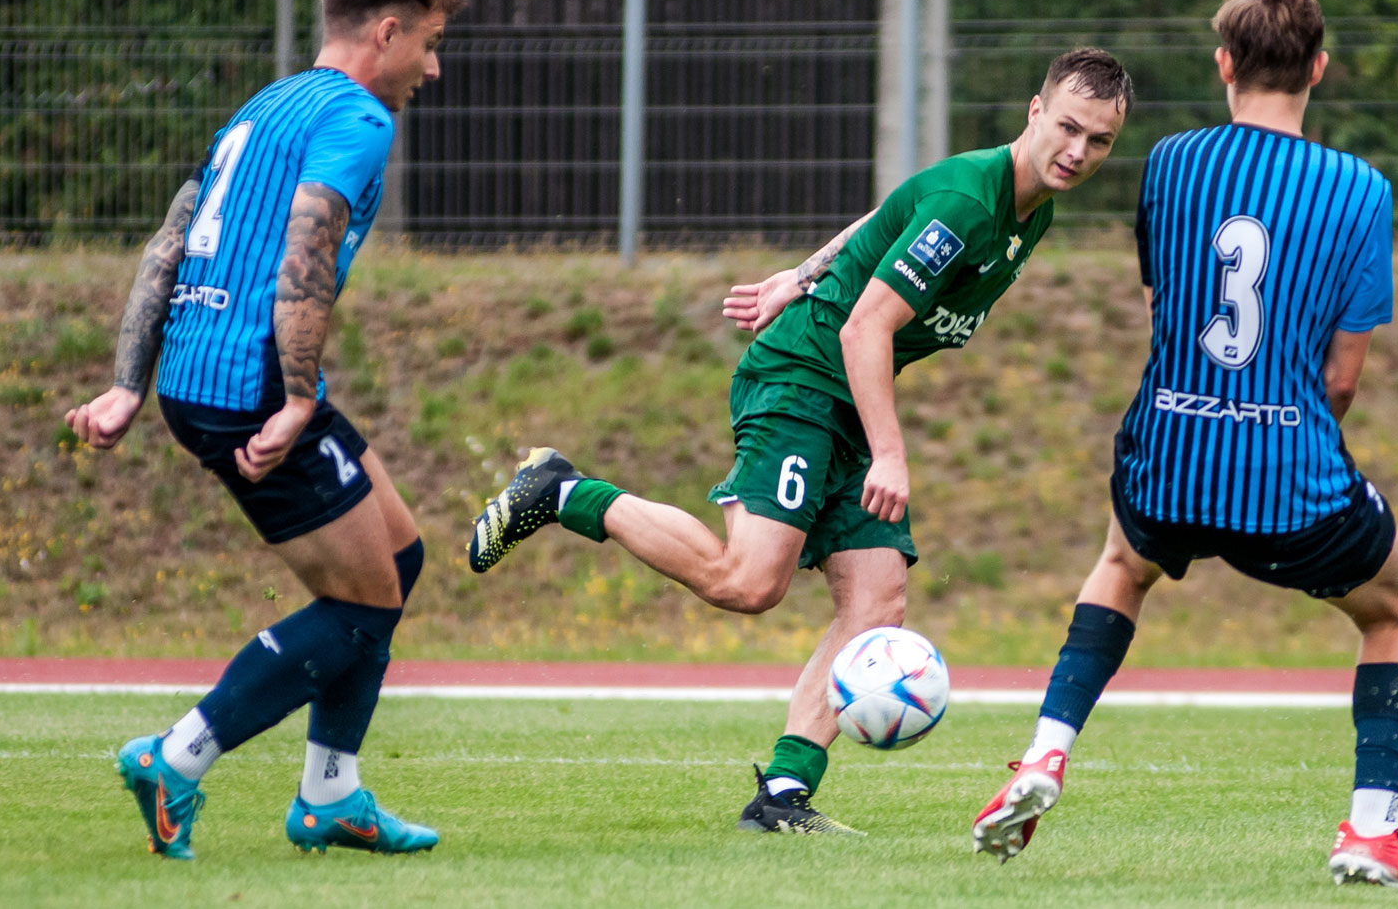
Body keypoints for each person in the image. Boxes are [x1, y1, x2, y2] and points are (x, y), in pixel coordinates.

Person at [469, 49, 1133, 834]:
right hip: (805, 377)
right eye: (1067, 128)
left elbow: (888, 218)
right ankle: (564, 492)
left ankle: (783, 796)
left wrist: (804, 270)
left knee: (877, 599)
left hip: (847, 393)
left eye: (1099, 141)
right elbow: (866, 325)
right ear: (1033, 110)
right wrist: (889, 452)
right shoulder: (970, 200)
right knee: (748, 582)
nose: (1078, 152)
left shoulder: (1032, 211)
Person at [970, 0, 1398, 888]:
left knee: (1123, 567)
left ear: (1223, 63)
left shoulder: (1171, 164)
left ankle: (1043, 755)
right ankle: (1372, 831)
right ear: (1319, 67)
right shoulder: (1361, 190)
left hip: (1168, 460)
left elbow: (1165, 305)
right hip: (1291, 483)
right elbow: (1342, 378)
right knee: (1396, 608)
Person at [66, 0, 467, 861]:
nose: (433, 68)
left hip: (199, 379)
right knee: (363, 604)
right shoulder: (359, 119)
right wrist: (290, 404)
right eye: (430, 43)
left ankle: (333, 794)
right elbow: (305, 256)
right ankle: (177, 757)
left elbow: (169, 244)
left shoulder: (264, 108)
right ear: (386, 30)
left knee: (398, 560)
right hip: (250, 391)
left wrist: (131, 384)